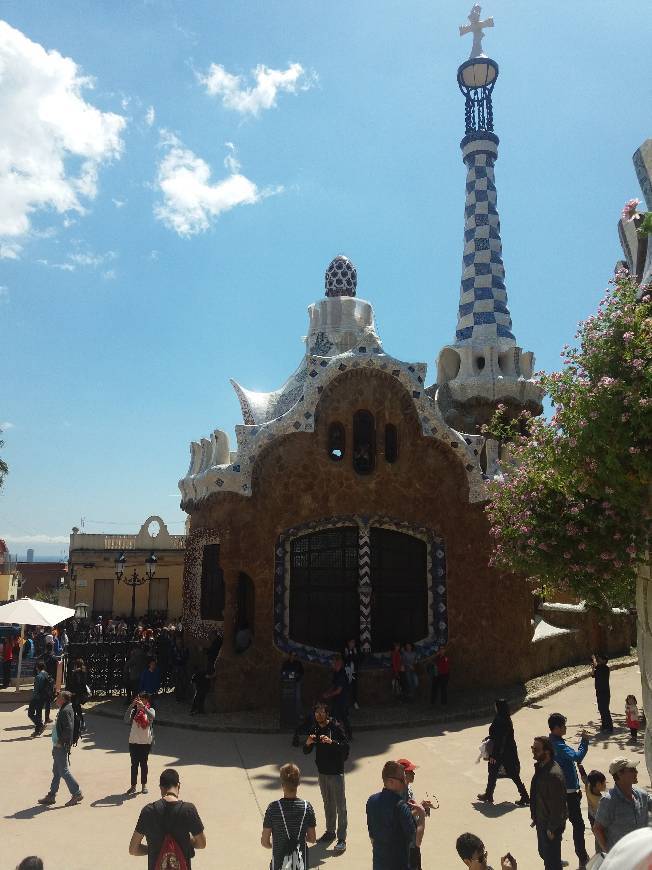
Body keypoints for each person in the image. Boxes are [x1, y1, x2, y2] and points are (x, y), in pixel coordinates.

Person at [129, 768, 206, 868]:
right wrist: (188, 841)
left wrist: (153, 849)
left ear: (161, 787)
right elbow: (201, 844)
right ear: (178, 785)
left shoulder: (148, 811)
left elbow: (133, 849)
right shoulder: (188, 810)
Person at [303, 702, 348, 854]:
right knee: (328, 804)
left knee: (340, 807)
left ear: (327, 714)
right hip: (322, 772)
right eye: (317, 713)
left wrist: (332, 742)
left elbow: (345, 747)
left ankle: (341, 839)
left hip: (336, 773)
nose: (319, 715)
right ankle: (330, 832)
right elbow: (306, 751)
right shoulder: (315, 728)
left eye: (322, 713)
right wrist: (308, 743)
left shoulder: (336, 727)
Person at [548, 712, 590, 868]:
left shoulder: (553, 742)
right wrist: (584, 741)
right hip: (568, 794)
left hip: (563, 792)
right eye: (563, 725)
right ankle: (582, 857)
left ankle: (554, 858)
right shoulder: (558, 745)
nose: (565, 728)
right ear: (557, 728)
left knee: (558, 827)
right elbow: (577, 757)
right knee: (577, 825)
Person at [366, 760, 425, 870]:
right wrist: (421, 814)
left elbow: (372, 838)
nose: (405, 781)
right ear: (391, 781)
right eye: (402, 779)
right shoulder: (400, 806)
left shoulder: (371, 800)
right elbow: (416, 841)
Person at [261, 763, 316, 870]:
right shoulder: (306, 807)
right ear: (298, 783)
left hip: (279, 864)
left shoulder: (273, 808)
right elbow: (312, 838)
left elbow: (265, 842)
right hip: (300, 864)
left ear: (282, 784)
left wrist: (275, 845)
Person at [594, 757, 652, 854]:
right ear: (619, 774)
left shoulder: (642, 795)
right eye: (632, 770)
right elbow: (597, 829)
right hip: (621, 858)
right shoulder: (609, 801)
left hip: (641, 854)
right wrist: (609, 853)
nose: (636, 772)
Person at [477, 699, 529, 806]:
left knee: (503, 773)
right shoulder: (505, 718)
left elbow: (500, 739)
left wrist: (494, 755)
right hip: (507, 751)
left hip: (502, 752)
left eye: (495, 706)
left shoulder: (500, 720)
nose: (494, 708)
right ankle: (489, 794)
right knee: (499, 773)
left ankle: (524, 796)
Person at [37, 690, 83, 807]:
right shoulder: (65, 708)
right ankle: (51, 795)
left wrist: (60, 742)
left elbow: (68, 728)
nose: (56, 699)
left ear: (63, 699)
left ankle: (77, 793)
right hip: (59, 744)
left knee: (63, 771)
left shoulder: (66, 710)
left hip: (60, 746)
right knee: (56, 771)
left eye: (58, 697)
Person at [530, 735, 567, 870]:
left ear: (547, 752)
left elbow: (558, 806)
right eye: (532, 748)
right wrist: (535, 815)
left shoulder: (553, 775)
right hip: (542, 821)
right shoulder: (541, 767)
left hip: (550, 826)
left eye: (537, 749)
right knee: (544, 854)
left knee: (551, 863)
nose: (533, 751)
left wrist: (552, 828)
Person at [397, 758, 435, 870]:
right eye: (410, 771)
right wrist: (420, 808)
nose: (413, 773)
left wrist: (420, 809)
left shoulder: (408, 788)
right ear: (403, 774)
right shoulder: (396, 794)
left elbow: (411, 810)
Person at [124, 691, 155, 795]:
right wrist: (132, 705)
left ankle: (144, 785)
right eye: (139, 699)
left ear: (146, 700)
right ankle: (133, 786)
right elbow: (125, 720)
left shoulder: (150, 709)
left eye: (142, 699)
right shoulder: (134, 711)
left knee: (144, 764)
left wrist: (144, 708)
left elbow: (152, 717)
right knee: (134, 765)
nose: (140, 701)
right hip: (133, 741)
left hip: (145, 742)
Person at [322, 653, 352, 740]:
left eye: (333, 662)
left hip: (342, 700)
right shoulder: (336, 673)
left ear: (338, 663)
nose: (332, 663)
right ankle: (345, 734)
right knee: (339, 717)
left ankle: (338, 735)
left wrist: (328, 695)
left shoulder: (341, 674)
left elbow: (338, 691)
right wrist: (327, 692)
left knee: (337, 717)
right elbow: (333, 685)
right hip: (337, 699)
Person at [578, 766, 607, 835]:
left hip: (591, 816)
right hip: (599, 822)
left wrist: (580, 768)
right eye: (604, 782)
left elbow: (584, 778)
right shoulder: (602, 800)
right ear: (598, 784)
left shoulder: (588, 786)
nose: (605, 785)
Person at [66, 658, 89, 732]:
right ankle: (79, 723)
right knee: (76, 708)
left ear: (76, 665)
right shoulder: (84, 671)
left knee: (75, 708)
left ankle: (79, 723)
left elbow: (76, 683)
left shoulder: (76, 673)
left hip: (76, 694)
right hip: (81, 693)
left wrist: (73, 692)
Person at [28, 660, 50, 737]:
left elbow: (36, 689)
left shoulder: (38, 677)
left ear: (37, 668)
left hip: (37, 697)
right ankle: (38, 729)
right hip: (44, 696)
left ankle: (39, 725)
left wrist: (32, 698)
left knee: (30, 713)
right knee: (38, 713)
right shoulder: (46, 674)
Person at [591, 654, 613, 732]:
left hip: (605, 692)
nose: (598, 660)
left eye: (600, 659)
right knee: (601, 709)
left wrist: (593, 659)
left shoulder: (605, 668)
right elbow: (593, 675)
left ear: (604, 661)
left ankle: (609, 727)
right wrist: (593, 667)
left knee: (605, 709)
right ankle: (604, 725)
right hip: (599, 691)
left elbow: (596, 665)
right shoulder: (599, 668)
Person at [43, 643, 59, 724]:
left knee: (41, 699)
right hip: (50, 681)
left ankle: (40, 718)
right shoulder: (54, 658)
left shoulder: (42, 656)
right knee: (48, 700)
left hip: (42, 679)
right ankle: (46, 718)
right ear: (52, 648)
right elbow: (57, 670)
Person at [343, 638, 361, 709]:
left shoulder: (355, 650)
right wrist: (351, 656)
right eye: (351, 642)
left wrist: (352, 656)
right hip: (347, 671)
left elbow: (357, 659)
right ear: (348, 643)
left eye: (353, 642)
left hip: (354, 672)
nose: (352, 644)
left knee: (354, 688)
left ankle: (355, 702)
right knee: (346, 687)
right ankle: (345, 703)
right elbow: (346, 659)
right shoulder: (346, 650)